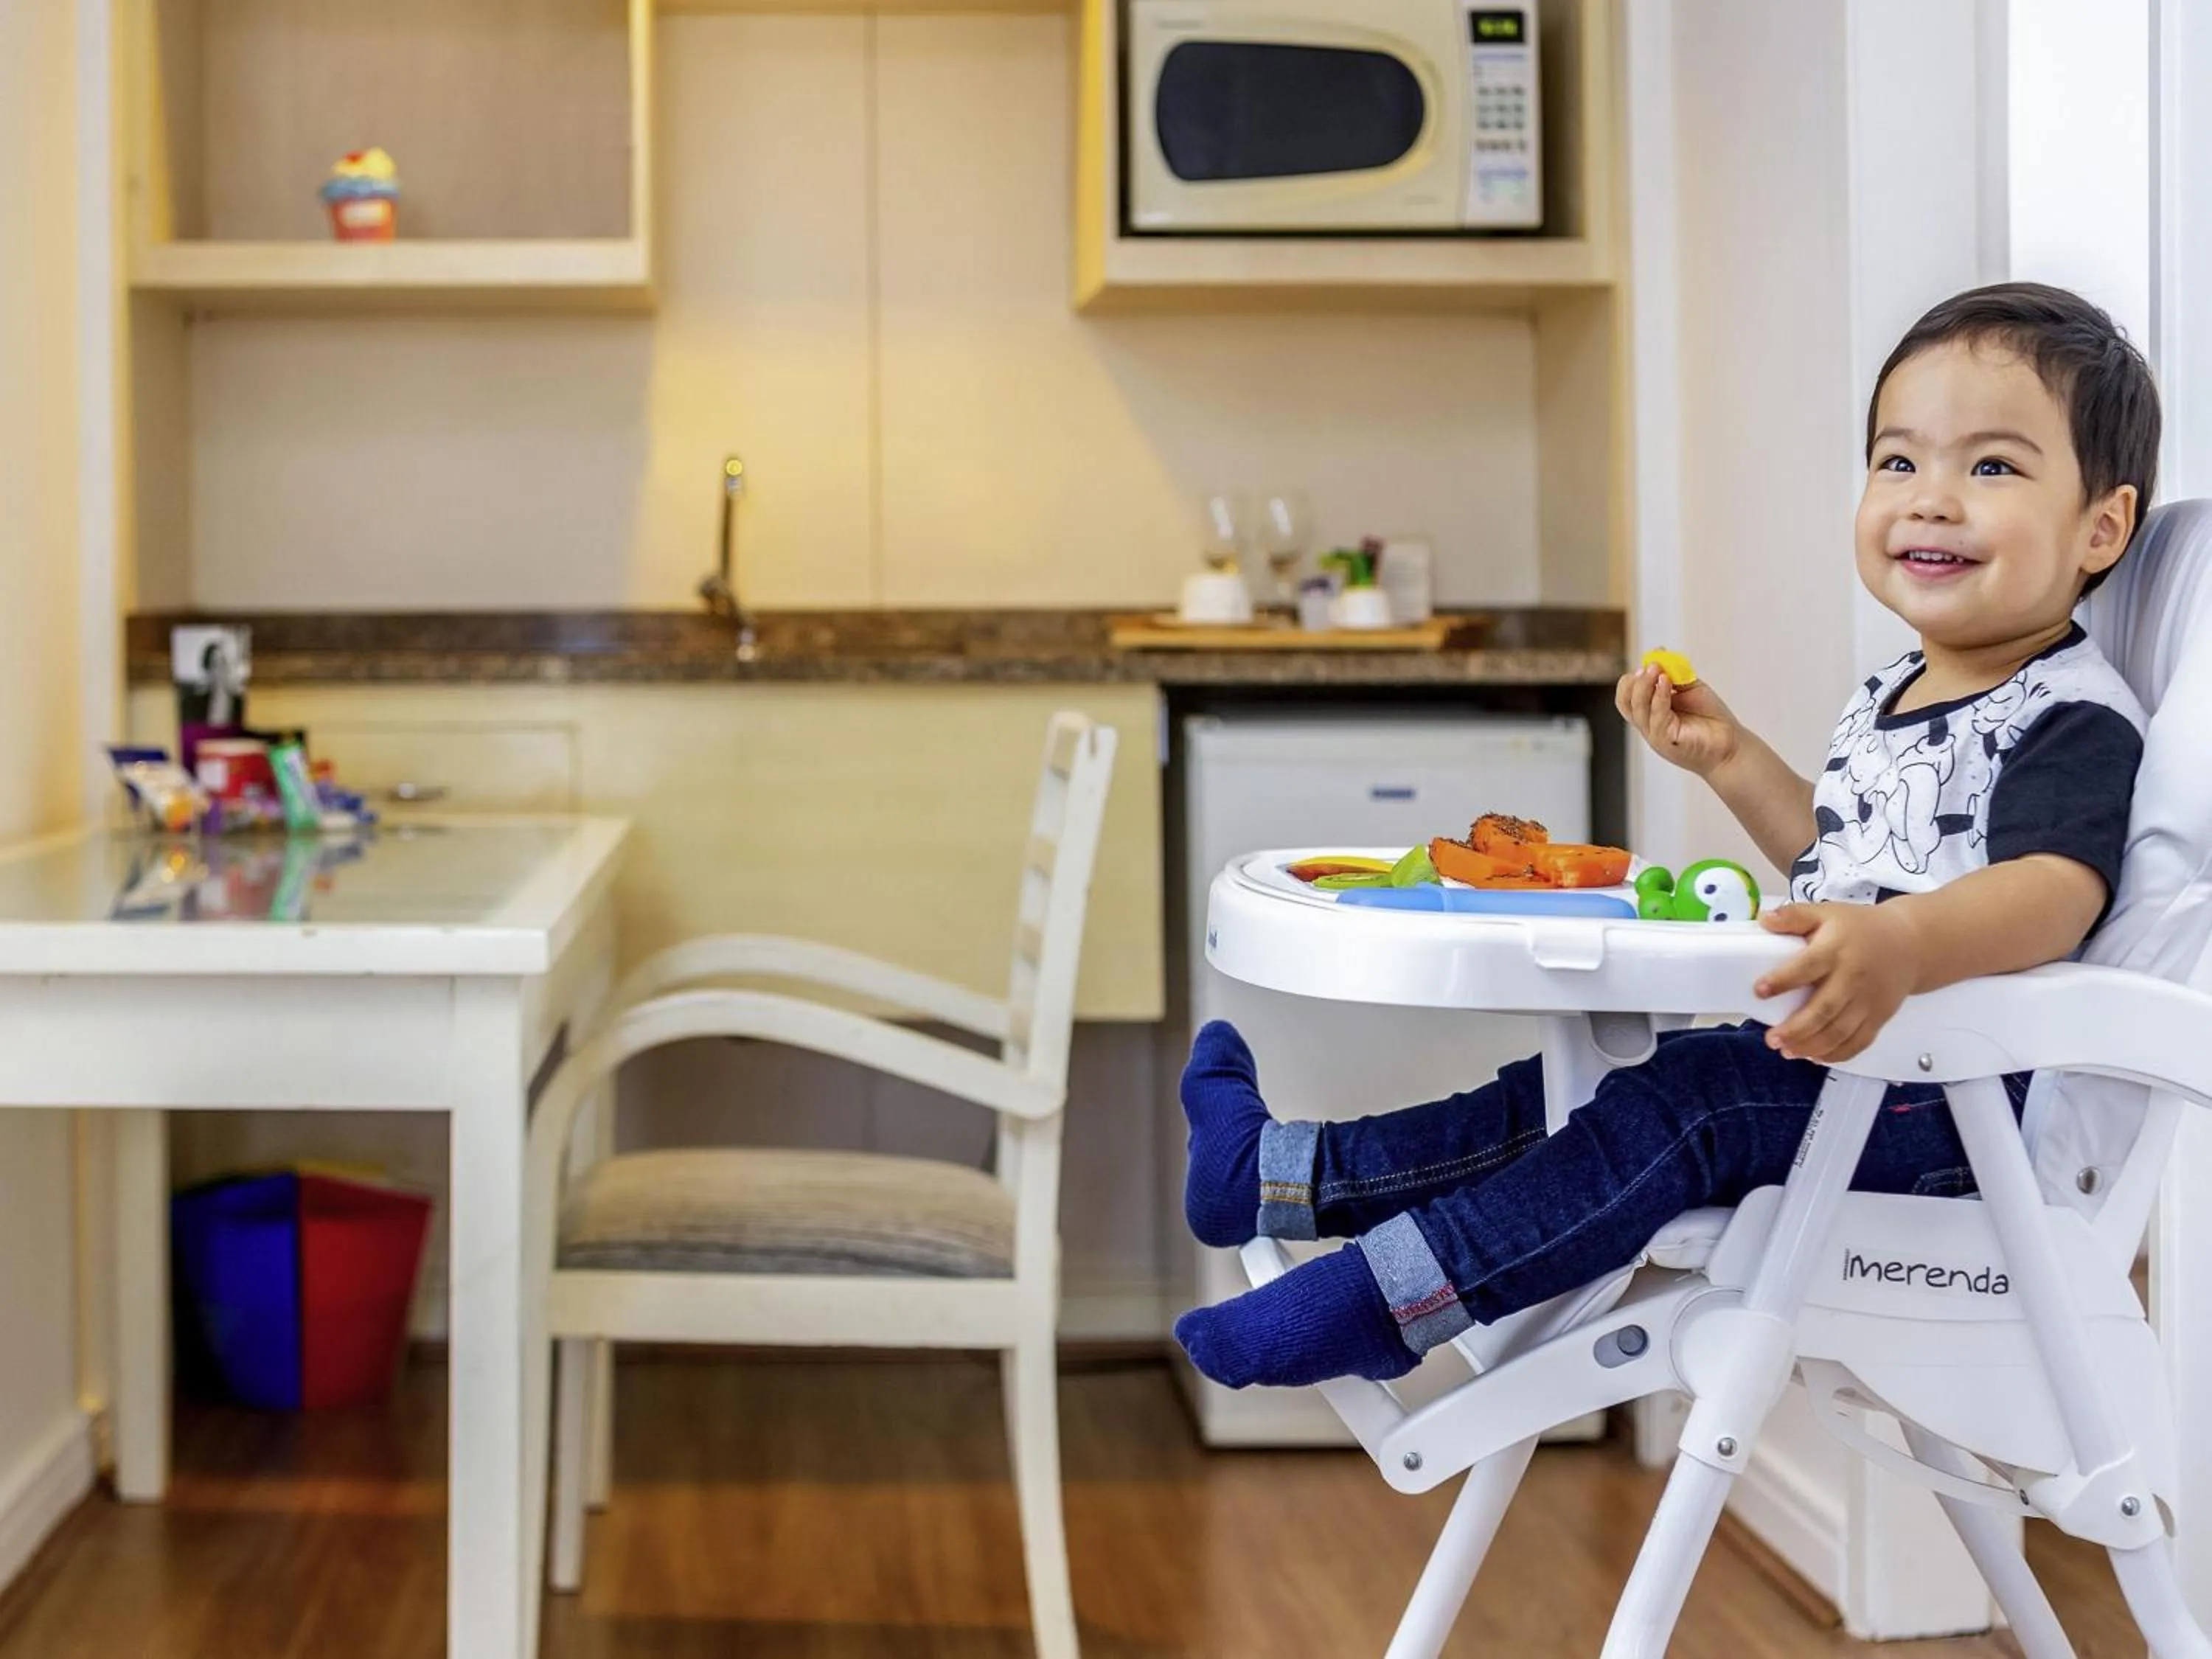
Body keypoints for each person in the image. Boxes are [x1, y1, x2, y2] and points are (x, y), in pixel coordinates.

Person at [1175, 282, 2160, 1389]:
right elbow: (1837, 863)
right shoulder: (1899, 689)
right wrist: (1730, 758)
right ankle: (1274, 1171)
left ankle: (1387, 1302)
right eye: (1898, 461)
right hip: (1852, 1076)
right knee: (1575, 1094)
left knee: (1681, 1105)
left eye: (1990, 467)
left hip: (1957, 1115)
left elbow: (2055, 887)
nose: (1931, 499)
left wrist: (1906, 948)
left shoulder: (2068, 716)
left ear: (2101, 526)